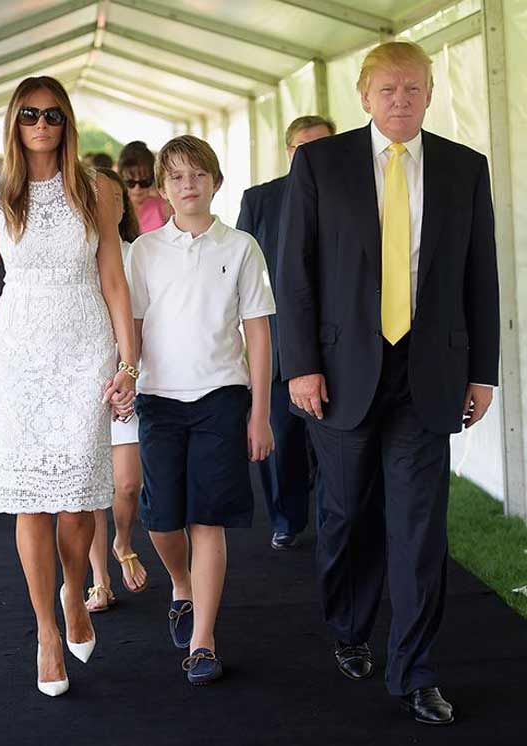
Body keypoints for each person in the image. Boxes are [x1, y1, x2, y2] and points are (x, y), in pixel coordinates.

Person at [276, 41, 499, 725]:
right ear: (364, 95)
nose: (401, 101)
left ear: (430, 93)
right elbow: (296, 273)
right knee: (345, 515)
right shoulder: (320, 163)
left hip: (429, 376)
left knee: (419, 529)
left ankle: (415, 671)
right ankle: (349, 627)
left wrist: (483, 372)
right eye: (388, 90)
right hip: (341, 376)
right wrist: (302, 365)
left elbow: (479, 274)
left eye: (413, 89)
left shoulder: (465, 168)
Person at [0, 76, 138, 697]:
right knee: (29, 502)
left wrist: (129, 362)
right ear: (16, 121)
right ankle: (45, 631)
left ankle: (74, 589)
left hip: (86, 350)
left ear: (67, 122)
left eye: (53, 114)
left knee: (78, 502)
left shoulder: (99, 190)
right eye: (30, 114)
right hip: (19, 355)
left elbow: (115, 281)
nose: (41, 123)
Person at [128, 135, 275, 685]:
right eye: (177, 178)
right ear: (163, 190)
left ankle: (203, 641)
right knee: (162, 519)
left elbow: (258, 335)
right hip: (160, 400)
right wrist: (125, 376)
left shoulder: (241, 247)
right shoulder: (143, 252)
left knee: (205, 517)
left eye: (198, 175)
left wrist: (259, 414)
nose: (188, 186)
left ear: (215, 180)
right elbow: (135, 330)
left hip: (221, 397)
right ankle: (181, 586)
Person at [237, 115, 335, 550]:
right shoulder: (260, 200)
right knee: (283, 441)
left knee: (334, 444)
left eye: (323, 147)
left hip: (338, 345)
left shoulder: (356, 193)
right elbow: (238, 273)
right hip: (276, 345)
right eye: (304, 147)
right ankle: (285, 518)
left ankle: (336, 521)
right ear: (288, 151)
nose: (313, 156)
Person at [85, 167, 148, 612]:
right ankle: (98, 580)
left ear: (123, 205)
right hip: (83, 378)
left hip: (128, 377)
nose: (106, 205)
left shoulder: (137, 254)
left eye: (113, 198)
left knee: (127, 483)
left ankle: (122, 541)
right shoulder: (73, 255)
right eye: (95, 198)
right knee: (88, 489)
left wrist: (133, 370)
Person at [118, 141, 171, 233]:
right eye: (130, 182)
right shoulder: (113, 209)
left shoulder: (165, 209)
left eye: (144, 182)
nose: (137, 188)